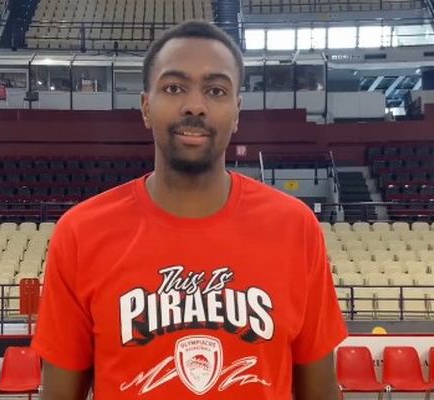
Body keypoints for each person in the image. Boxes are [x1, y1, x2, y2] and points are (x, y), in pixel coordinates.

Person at [32, 20, 347, 400]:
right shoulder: (80, 233)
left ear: (237, 112)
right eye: (174, 87)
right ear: (146, 107)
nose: (195, 106)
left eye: (216, 90)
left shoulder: (295, 227)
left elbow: (320, 390)